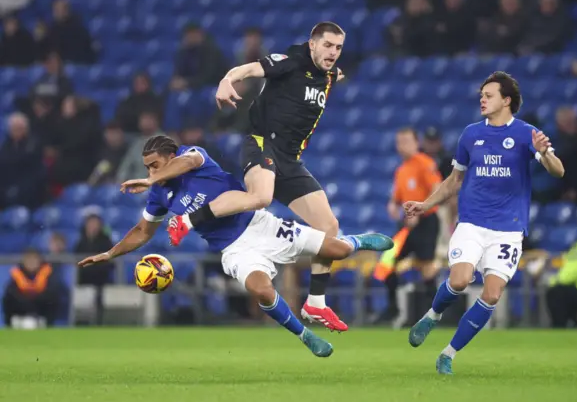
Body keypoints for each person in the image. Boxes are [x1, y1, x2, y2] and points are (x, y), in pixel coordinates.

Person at [78, 135, 393, 357]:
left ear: (170, 158)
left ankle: (356, 241)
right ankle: (304, 334)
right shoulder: (159, 194)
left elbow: (186, 162)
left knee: (336, 250)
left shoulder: (195, 157)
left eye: (155, 165)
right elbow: (142, 231)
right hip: (234, 250)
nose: (151, 173)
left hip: (259, 224)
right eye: (147, 168)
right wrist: (109, 253)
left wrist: (149, 180)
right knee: (261, 290)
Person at [166, 21, 349, 332]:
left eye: (338, 48)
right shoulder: (292, 61)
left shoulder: (328, 74)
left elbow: (333, 74)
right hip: (262, 141)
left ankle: (315, 303)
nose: (333, 52)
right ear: (312, 44)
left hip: (289, 160)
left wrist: (336, 72)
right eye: (328, 45)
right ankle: (186, 220)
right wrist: (226, 80)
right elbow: (251, 69)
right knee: (261, 197)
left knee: (329, 227)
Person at [402, 71, 565, 374]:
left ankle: (448, 354)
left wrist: (544, 152)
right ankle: (432, 315)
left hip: (509, 229)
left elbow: (558, 171)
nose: (482, 99)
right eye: (481, 95)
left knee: (491, 294)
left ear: (506, 100)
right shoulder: (470, 134)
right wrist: (425, 204)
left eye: (488, 95)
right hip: (472, 223)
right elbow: (454, 180)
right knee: (460, 280)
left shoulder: (527, 134)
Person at [375, 128, 442, 327]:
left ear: (415, 143)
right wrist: (393, 206)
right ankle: (392, 308)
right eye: (399, 142)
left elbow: (437, 189)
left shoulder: (424, 164)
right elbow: (396, 198)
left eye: (406, 141)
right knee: (388, 261)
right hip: (408, 225)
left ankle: (433, 314)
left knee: (426, 266)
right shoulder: (401, 170)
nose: (402, 146)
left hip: (426, 222)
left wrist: (421, 210)